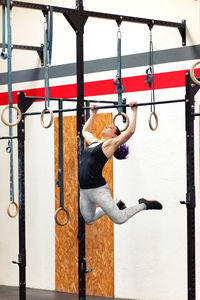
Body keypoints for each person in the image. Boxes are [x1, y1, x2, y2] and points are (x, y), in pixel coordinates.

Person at [78, 101, 162, 225]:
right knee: (89, 219)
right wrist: (93, 114)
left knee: (119, 219)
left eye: (111, 128)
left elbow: (131, 131)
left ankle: (144, 204)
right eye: (107, 126)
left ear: (114, 136)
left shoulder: (110, 145)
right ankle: (116, 205)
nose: (107, 126)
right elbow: (85, 131)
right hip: (84, 190)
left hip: (98, 190)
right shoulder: (94, 142)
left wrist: (134, 111)